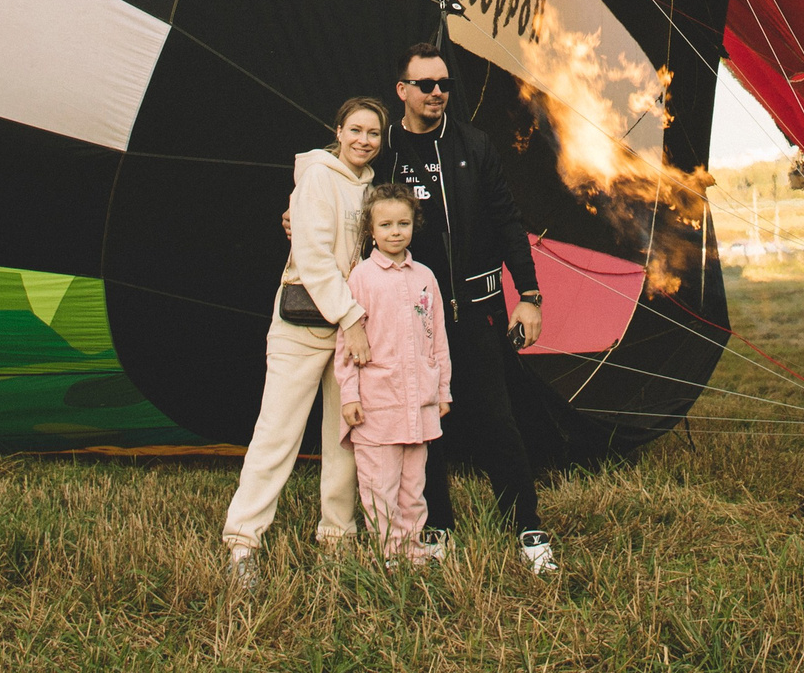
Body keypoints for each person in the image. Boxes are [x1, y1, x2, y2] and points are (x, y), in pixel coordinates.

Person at [384, 43, 557, 574]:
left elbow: (508, 221)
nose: (438, 93)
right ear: (403, 91)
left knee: (495, 417)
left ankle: (526, 525)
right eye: (426, 85)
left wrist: (528, 296)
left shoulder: (474, 145)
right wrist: (299, 216)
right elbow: (344, 200)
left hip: (477, 306)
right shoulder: (384, 149)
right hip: (410, 312)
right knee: (424, 420)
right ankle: (437, 525)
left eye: (445, 85)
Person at [221, 98, 384, 585]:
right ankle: (243, 543)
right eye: (355, 129)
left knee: (344, 437)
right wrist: (351, 318)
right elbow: (312, 257)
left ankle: (337, 538)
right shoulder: (317, 176)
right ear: (338, 131)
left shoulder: (373, 187)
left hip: (350, 329)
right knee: (278, 433)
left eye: (373, 133)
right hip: (308, 327)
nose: (363, 140)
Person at [335, 185, 451, 562]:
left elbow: (438, 340)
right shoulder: (362, 278)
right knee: (379, 485)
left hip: (419, 403)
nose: (395, 232)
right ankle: (390, 552)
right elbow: (346, 344)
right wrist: (350, 395)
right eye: (385, 225)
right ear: (371, 230)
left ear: (414, 225)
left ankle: (413, 549)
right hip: (378, 404)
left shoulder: (425, 277)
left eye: (403, 223)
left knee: (413, 486)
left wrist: (443, 391)